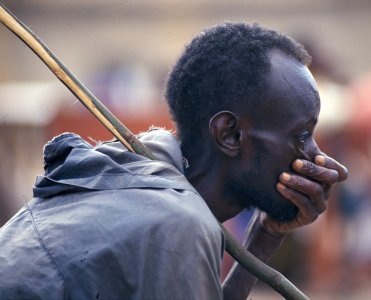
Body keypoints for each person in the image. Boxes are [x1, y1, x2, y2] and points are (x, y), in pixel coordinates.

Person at [0, 22, 347, 299]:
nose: (316, 155)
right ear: (230, 135)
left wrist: (267, 233)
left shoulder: (139, 172)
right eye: (301, 134)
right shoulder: (174, 222)